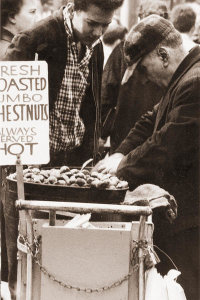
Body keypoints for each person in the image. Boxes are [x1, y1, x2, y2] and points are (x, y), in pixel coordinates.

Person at [94, 14, 200, 300]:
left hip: (191, 221)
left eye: (143, 70)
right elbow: (149, 120)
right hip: (183, 216)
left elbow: (167, 144)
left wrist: (121, 167)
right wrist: (117, 154)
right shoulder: (184, 77)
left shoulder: (195, 81)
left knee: (187, 288)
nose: (144, 78)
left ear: (163, 55)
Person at [4, 0, 124, 167]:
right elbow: (8, 106)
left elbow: (92, 105)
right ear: (74, 9)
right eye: (91, 23)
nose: (98, 32)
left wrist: (92, 150)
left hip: (76, 158)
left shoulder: (96, 46)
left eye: (105, 25)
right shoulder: (36, 38)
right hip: (36, 162)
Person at [101, 0, 168, 153]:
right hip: (157, 136)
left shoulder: (123, 50)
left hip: (125, 135)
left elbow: (106, 92)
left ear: (139, 19)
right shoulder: (171, 54)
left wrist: (102, 134)